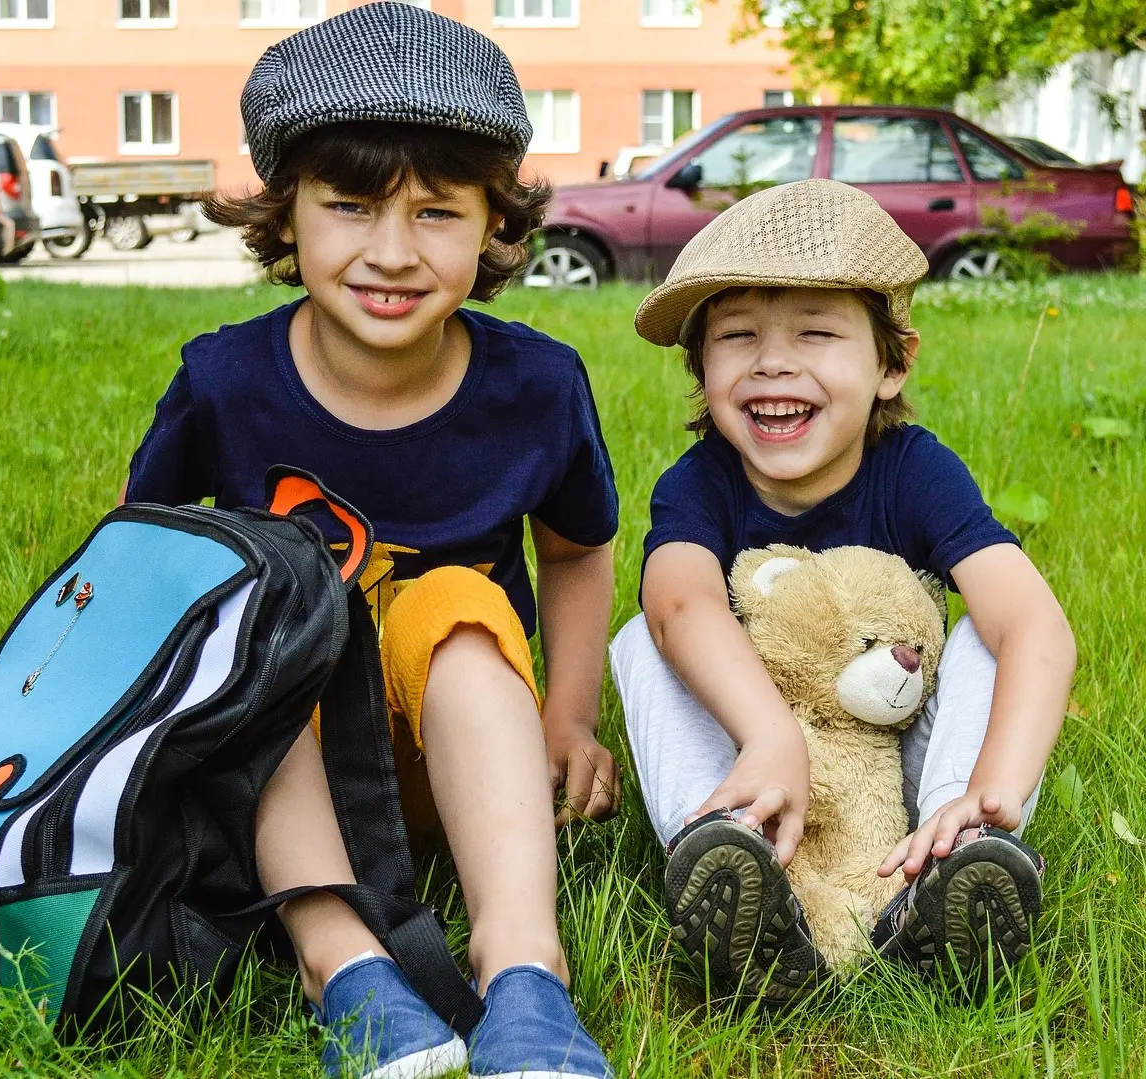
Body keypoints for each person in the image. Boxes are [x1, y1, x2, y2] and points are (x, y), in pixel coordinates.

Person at [121, 7, 620, 1076]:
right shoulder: (224, 383)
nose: (391, 252)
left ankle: (525, 969)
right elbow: (142, 569)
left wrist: (569, 715)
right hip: (279, 771)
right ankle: (339, 960)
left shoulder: (537, 386)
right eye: (349, 205)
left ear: (494, 222)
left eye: (437, 211)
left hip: (464, 763)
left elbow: (575, 549)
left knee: (453, 604)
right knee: (264, 616)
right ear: (287, 214)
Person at [610, 179, 1074, 1003]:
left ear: (892, 364)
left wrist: (989, 788)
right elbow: (679, 600)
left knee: (984, 636)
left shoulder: (916, 470)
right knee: (646, 636)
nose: (773, 361)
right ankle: (724, 849)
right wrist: (768, 736)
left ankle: (956, 857)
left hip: (897, 773)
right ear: (702, 366)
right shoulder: (701, 483)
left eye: (816, 333)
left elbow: (1037, 626)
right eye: (738, 335)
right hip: (760, 760)